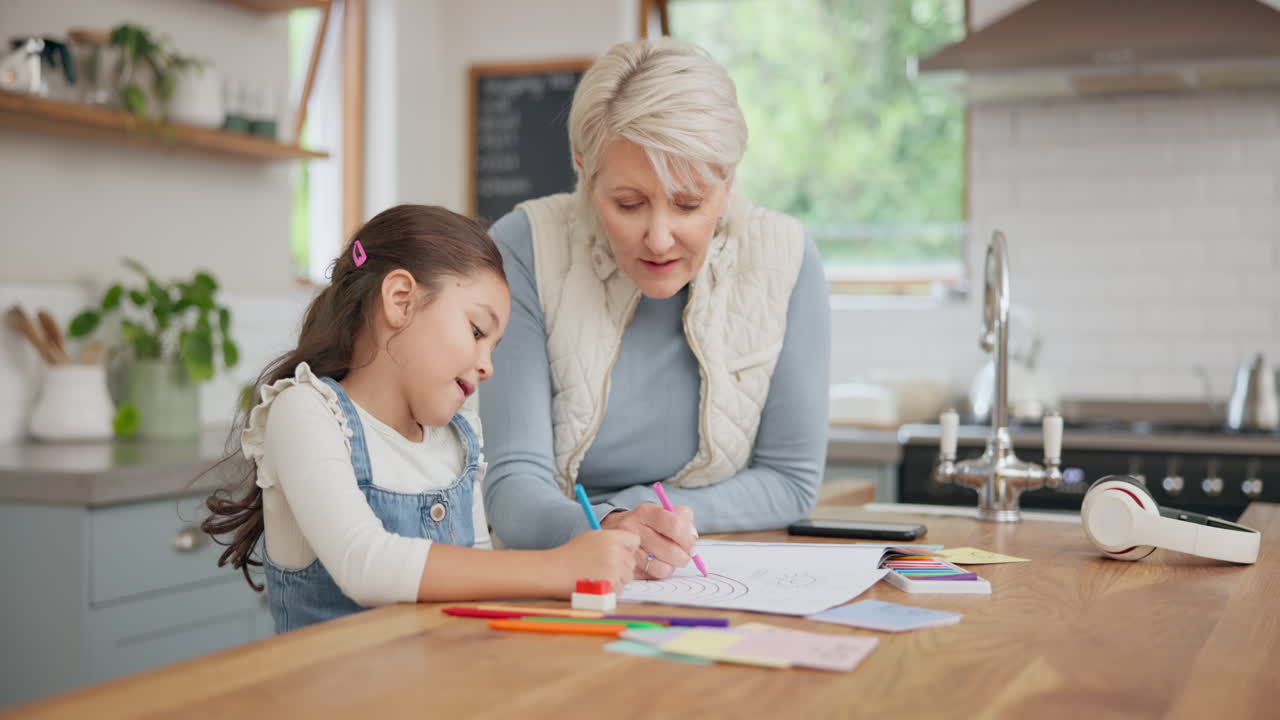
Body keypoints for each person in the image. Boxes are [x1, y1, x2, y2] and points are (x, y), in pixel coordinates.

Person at [479, 38, 831, 580]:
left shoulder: (785, 257)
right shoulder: (526, 247)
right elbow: (512, 486)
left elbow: (790, 480)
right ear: (584, 172)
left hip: (704, 573)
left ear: (728, 182)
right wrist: (609, 527)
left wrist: (647, 512)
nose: (660, 238)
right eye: (629, 204)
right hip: (562, 572)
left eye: (689, 204)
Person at [202, 205, 638, 633]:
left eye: (494, 347)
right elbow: (364, 564)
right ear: (400, 300)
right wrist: (560, 566)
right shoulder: (306, 412)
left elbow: (482, 579)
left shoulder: (459, 441)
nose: (488, 366)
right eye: (476, 331)